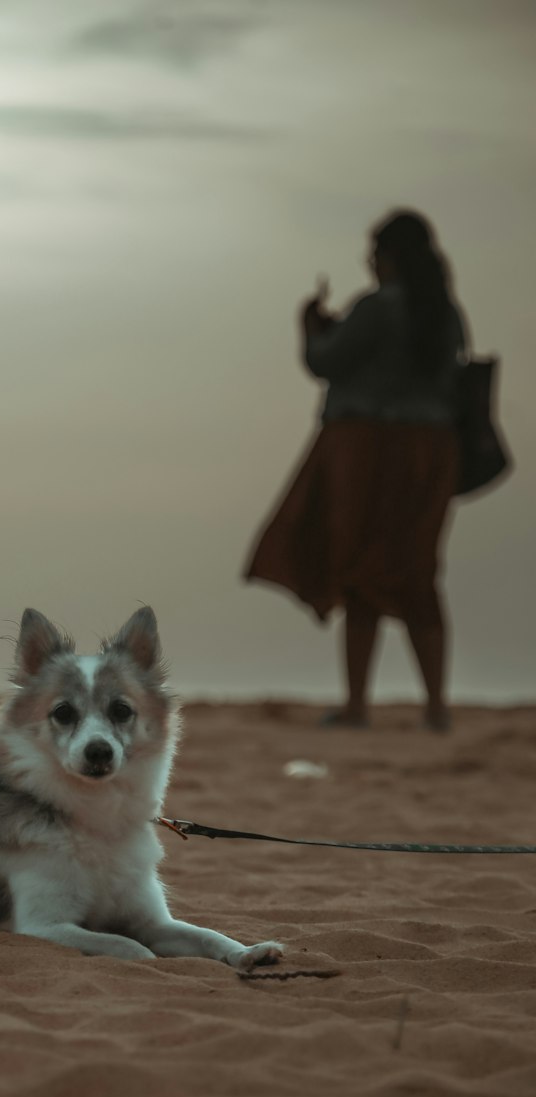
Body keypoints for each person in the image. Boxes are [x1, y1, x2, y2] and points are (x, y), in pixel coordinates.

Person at [244, 209, 467, 730]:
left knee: (361, 568)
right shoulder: (445, 311)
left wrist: (311, 325)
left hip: (371, 450)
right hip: (432, 452)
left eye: (374, 252)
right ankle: (435, 707)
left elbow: (327, 361)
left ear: (390, 256)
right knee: (415, 571)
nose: (369, 261)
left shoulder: (379, 307)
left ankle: (359, 704)